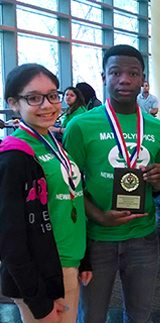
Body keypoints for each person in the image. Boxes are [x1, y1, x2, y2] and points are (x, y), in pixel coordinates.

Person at [63, 45, 160, 323]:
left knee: (140, 316)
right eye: (116, 72)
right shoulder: (81, 126)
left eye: (133, 73)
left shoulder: (158, 129)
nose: (124, 79)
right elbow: (69, 187)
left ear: (143, 79)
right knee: (92, 316)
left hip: (143, 237)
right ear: (103, 77)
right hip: (96, 238)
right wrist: (99, 216)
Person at [0, 63, 91, 323]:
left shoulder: (52, 143)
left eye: (53, 95)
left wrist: (83, 260)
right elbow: (10, 239)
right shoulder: (14, 157)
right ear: (14, 103)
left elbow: (68, 204)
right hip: (42, 273)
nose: (48, 105)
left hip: (66, 262)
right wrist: (37, 300)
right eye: (33, 98)